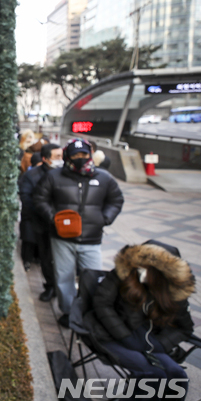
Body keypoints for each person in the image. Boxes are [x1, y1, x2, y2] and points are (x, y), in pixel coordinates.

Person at [85, 242, 194, 401]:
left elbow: (185, 328)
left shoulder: (174, 289)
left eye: (149, 267)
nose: (141, 270)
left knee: (177, 376)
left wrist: (159, 345)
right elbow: (102, 303)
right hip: (110, 333)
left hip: (151, 341)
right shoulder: (125, 272)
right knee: (153, 374)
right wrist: (127, 338)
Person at [33, 138, 124, 327]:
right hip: (61, 237)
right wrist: (54, 218)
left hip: (91, 239)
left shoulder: (104, 178)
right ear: (68, 156)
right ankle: (67, 312)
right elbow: (40, 199)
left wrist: (104, 219)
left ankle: (88, 313)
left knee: (92, 278)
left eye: (84, 154)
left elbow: (116, 200)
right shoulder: (53, 176)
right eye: (75, 155)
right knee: (63, 277)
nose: (80, 158)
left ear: (90, 155)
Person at [19, 143, 62, 301]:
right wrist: (47, 214)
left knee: (62, 258)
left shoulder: (66, 173)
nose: (61, 160)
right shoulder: (32, 176)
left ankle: (61, 288)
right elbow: (27, 199)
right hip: (42, 224)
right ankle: (50, 285)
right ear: (45, 159)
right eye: (57, 157)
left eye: (61, 156)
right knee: (46, 258)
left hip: (63, 225)